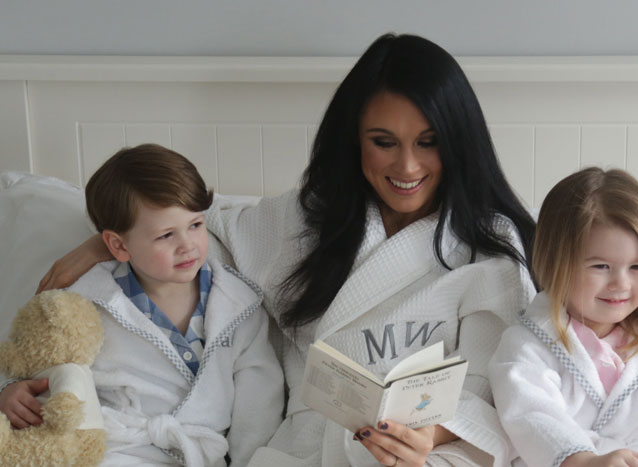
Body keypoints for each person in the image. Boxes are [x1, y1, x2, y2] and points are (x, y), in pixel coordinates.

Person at [16, 34, 536, 466]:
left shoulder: (488, 247)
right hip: (306, 447)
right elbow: (199, 226)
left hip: (428, 451)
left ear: (458, 140)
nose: (407, 167)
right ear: (354, 140)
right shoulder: (306, 220)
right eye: (384, 142)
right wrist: (104, 243)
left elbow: (495, 383)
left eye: (428, 141)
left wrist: (428, 435)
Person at [1, 144, 284, 466]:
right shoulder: (85, 300)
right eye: (166, 235)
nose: (188, 245)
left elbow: (259, 402)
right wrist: (9, 388)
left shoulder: (239, 305)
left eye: (195, 225)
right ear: (118, 245)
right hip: (114, 450)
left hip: (199, 455)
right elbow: (32, 358)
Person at [488, 167, 638, 467]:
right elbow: (531, 415)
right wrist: (584, 460)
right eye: (601, 267)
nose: (621, 283)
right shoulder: (528, 346)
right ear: (555, 262)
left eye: (637, 267)